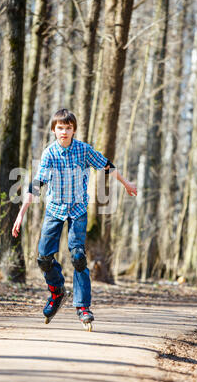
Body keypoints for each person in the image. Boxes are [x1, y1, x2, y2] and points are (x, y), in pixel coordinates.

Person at [12, 109, 137, 330]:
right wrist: (21, 215)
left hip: (78, 209)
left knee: (78, 256)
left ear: (74, 130)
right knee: (43, 258)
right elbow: (36, 185)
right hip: (54, 210)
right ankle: (57, 290)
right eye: (60, 128)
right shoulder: (49, 154)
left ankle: (83, 307)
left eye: (68, 128)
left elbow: (106, 165)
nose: (64, 132)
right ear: (54, 130)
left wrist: (126, 183)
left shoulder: (83, 150)